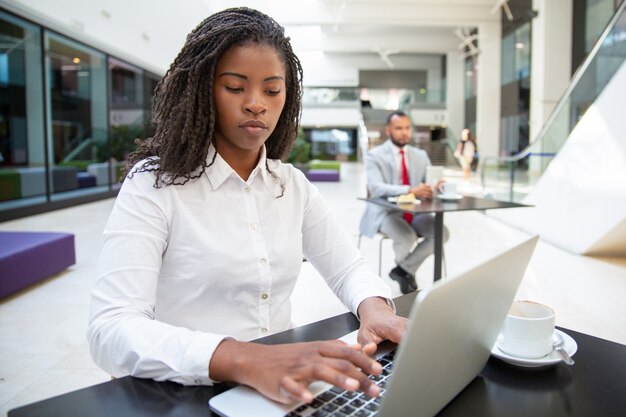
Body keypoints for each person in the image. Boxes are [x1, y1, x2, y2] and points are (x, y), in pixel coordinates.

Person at [87, 7, 407, 406]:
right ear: (201, 91)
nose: (256, 104)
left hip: (279, 391)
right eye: (236, 88)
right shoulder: (153, 185)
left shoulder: (290, 185)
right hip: (183, 393)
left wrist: (374, 307)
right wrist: (243, 358)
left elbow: (347, 267)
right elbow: (110, 329)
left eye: (272, 90)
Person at [359, 111, 449, 294]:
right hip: (385, 212)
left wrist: (436, 186)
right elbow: (376, 188)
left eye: (407, 128)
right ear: (388, 130)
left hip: (414, 211)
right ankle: (407, 273)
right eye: (398, 128)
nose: (404, 132)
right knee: (406, 236)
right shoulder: (374, 155)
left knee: (442, 233)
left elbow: (428, 184)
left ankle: (403, 270)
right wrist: (409, 189)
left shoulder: (420, 155)